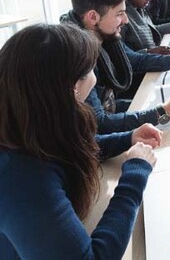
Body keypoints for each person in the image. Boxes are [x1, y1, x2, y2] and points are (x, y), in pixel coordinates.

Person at [0, 24, 158, 259]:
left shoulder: (27, 119)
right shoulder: (20, 178)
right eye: (91, 69)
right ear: (73, 87)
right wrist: (135, 176)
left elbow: (68, 149)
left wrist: (128, 138)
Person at [60, 0, 170, 134]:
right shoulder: (77, 57)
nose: (126, 20)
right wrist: (163, 112)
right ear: (93, 17)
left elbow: (133, 60)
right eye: (119, 14)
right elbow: (100, 123)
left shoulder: (103, 36)